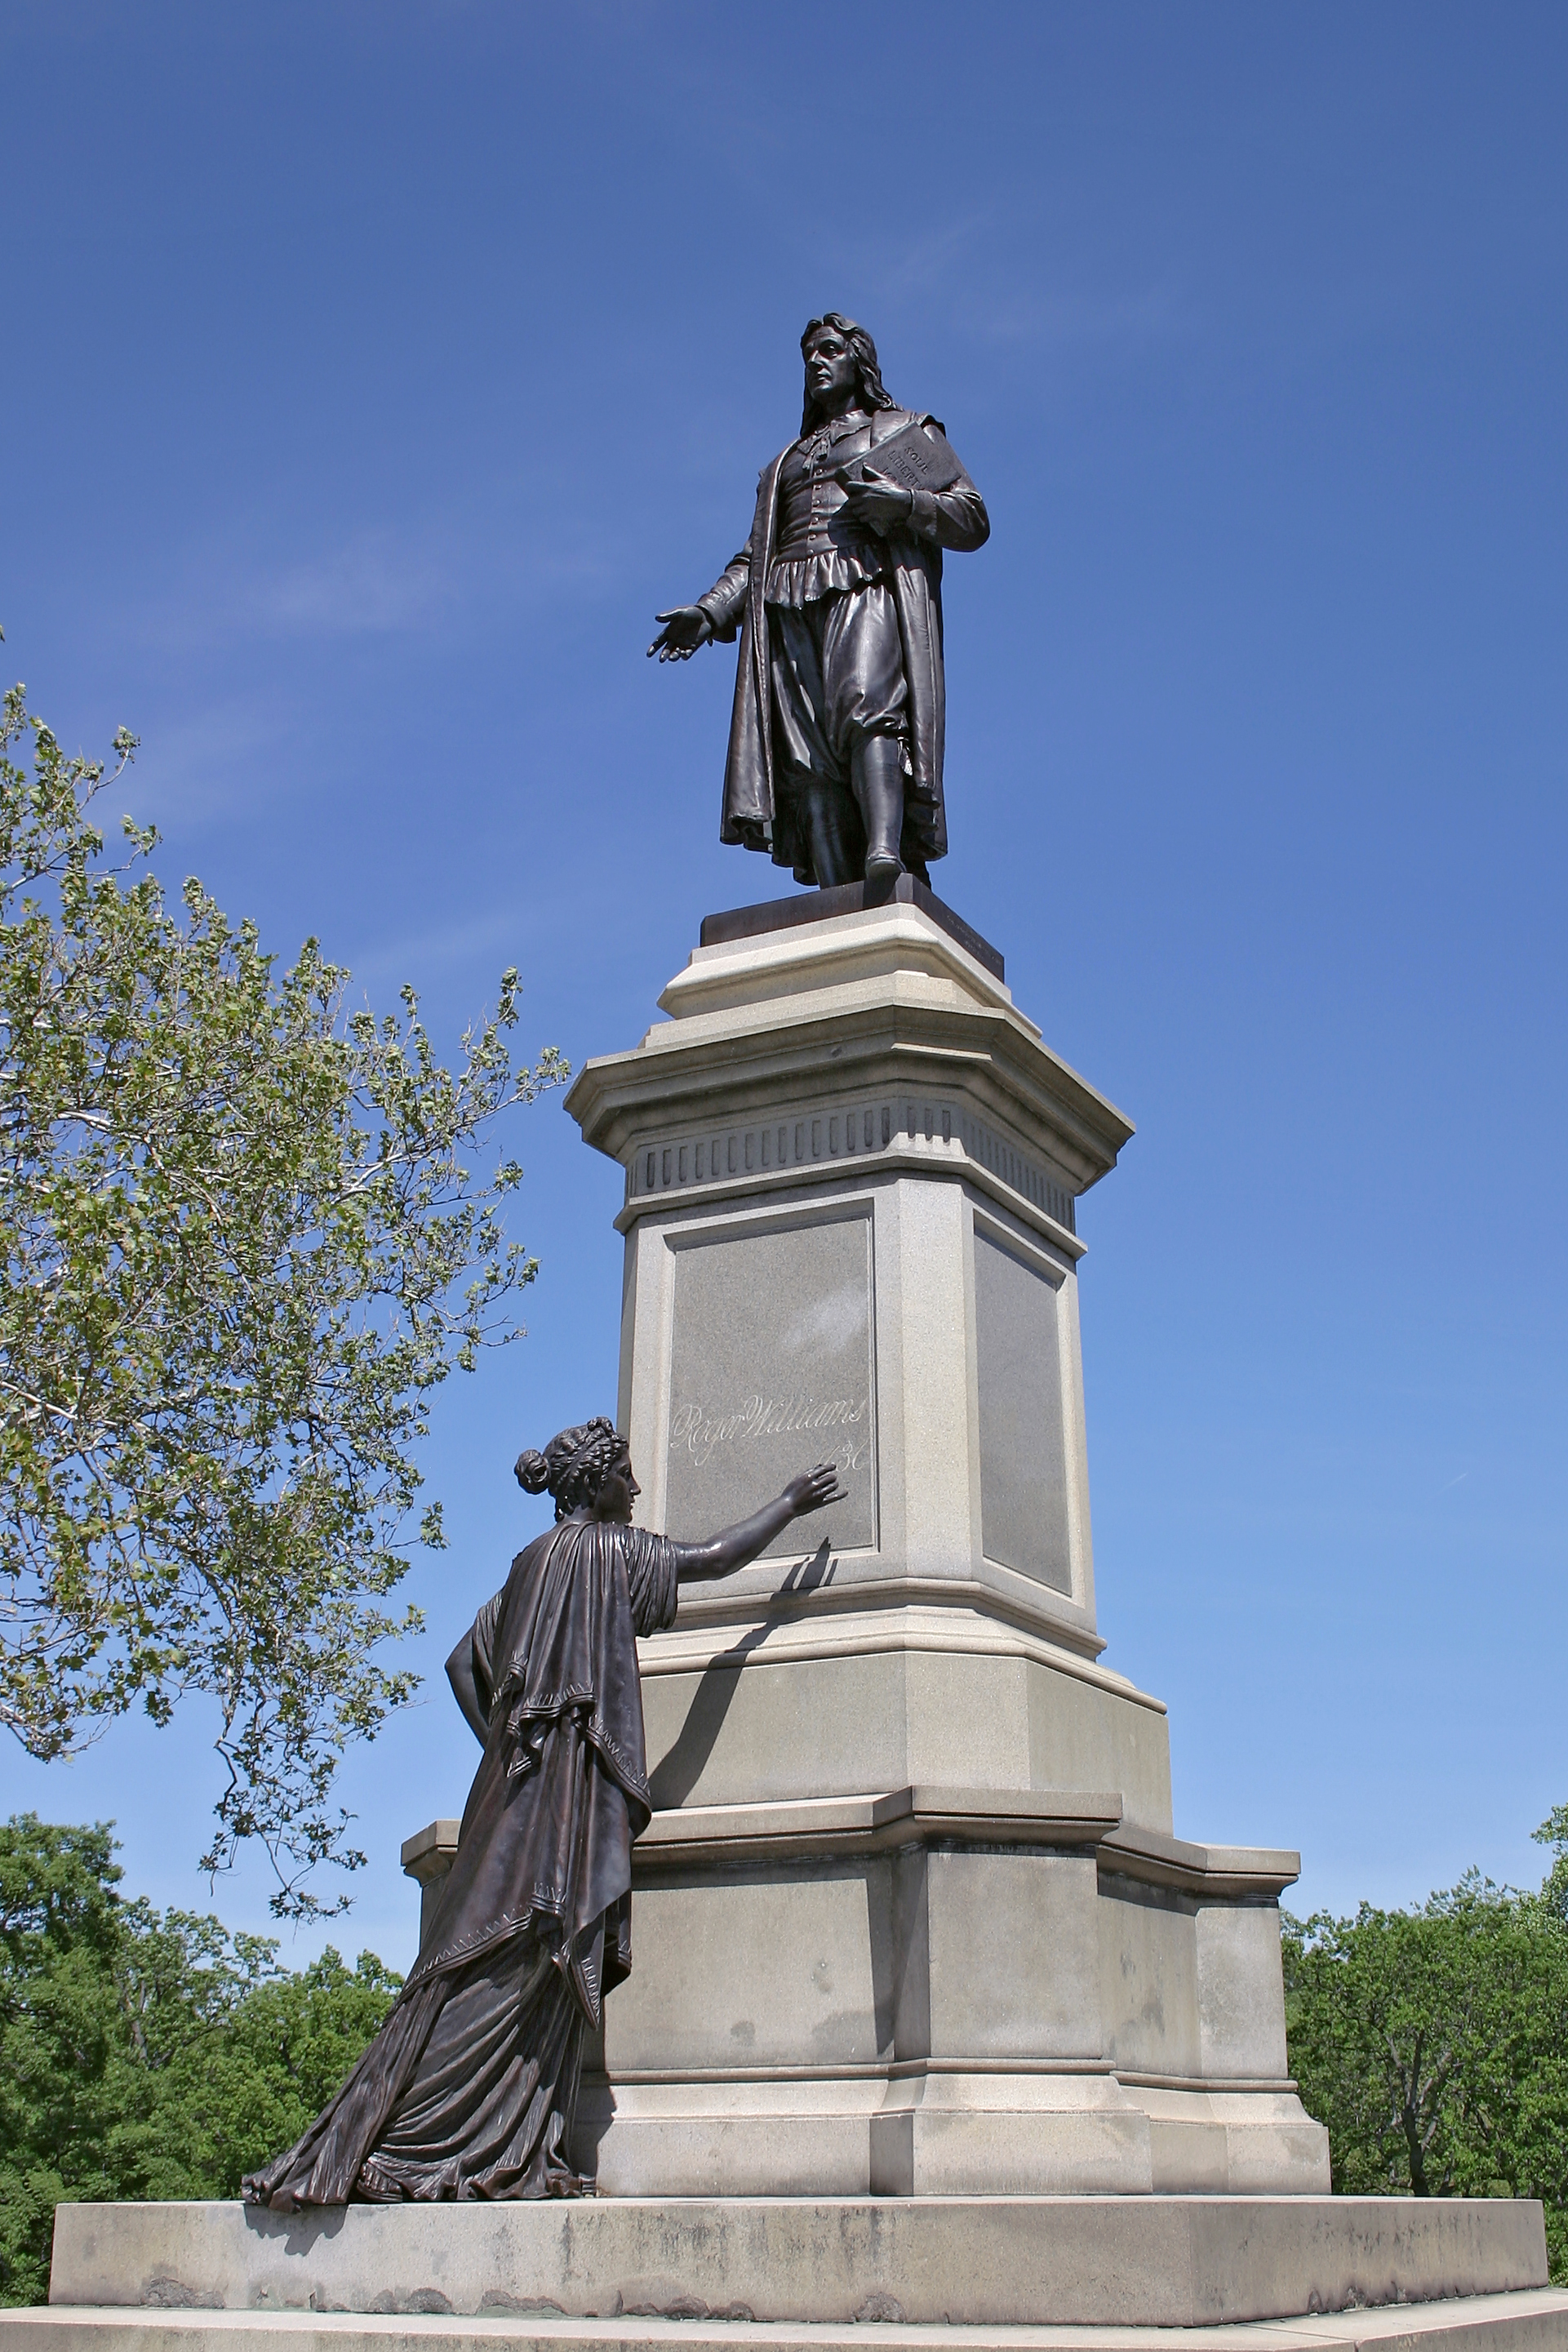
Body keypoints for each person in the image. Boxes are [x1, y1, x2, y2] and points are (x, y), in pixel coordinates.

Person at [242, 1419, 843, 2206]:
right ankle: (427, 2140)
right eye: (625, 1476)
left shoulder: (528, 1564)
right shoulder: (603, 1550)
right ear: (593, 1484)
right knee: (528, 1954)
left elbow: (462, 1661)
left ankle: (448, 2130)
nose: (634, 1490)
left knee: (483, 1958)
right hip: (562, 1795)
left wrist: (505, 1744)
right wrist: (790, 1501)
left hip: (510, 1787)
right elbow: (714, 1559)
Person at [648, 313, 988, 890]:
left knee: (866, 705)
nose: (816, 363)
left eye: (829, 350)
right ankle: (835, 888)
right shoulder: (785, 462)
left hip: (864, 581)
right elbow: (756, 555)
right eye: (809, 355)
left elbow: (971, 516)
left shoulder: (905, 431)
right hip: (787, 602)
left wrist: (904, 504)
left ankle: (884, 850)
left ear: (859, 362)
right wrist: (708, 611)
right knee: (806, 756)